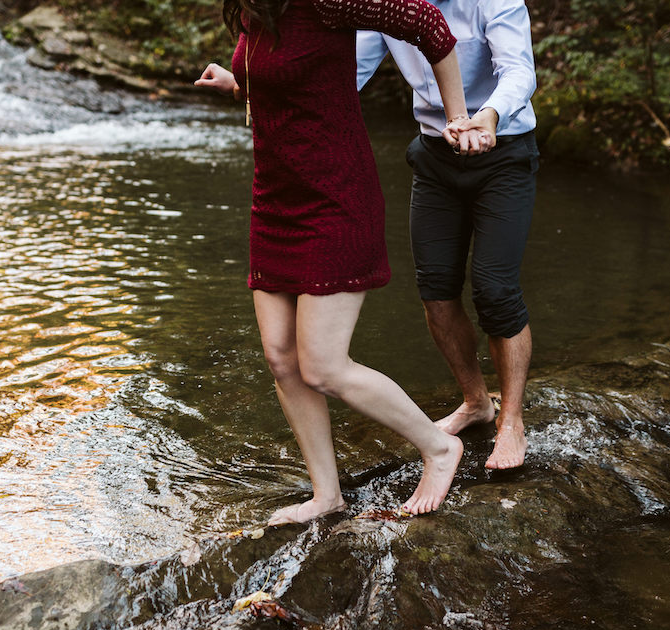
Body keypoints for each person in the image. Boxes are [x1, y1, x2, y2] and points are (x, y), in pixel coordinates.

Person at [195, 0, 488, 525]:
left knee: (324, 365)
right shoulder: (249, 6)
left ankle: (439, 449)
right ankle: (326, 494)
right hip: (276, 199)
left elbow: (428, 25)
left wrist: (458, 115)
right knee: (282, 358)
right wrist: (235, 83)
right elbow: (282, 78)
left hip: (335, 197)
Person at [357, 0, 539, 470]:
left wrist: (490, 115)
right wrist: (253, 85)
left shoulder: (493, 1)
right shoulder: (389, 8)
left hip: (504, 153)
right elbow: (343, 74)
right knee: (435, 289)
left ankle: (512, 422)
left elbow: (519, 69)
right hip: (435, 157)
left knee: (496, 289)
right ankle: (477, 402)